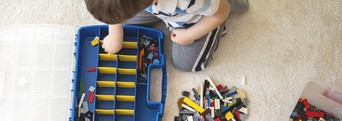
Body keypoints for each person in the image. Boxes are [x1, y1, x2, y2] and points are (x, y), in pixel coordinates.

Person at [84, 0, 248, 72]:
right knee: (118, 15)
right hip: (159, 7)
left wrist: (190, 35)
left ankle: (217, 28)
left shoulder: (190, 1)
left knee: (185, 64)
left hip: (202, 15)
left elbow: (221, 11)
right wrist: (115, 33)